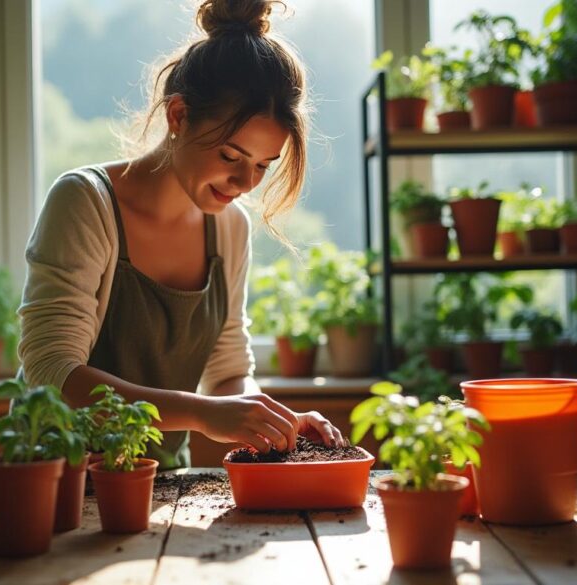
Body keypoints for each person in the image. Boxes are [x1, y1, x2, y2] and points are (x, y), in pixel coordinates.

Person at [18, 0, 345, 470]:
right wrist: (201, 413)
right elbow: (52, 374)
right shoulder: (85, 202)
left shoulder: (230, 228)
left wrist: (274, 419)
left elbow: (229, 374)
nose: (246, 183)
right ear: (178, 116)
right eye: (232, 157)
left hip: (161, 487)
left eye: (261, 165)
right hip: (55, 486)